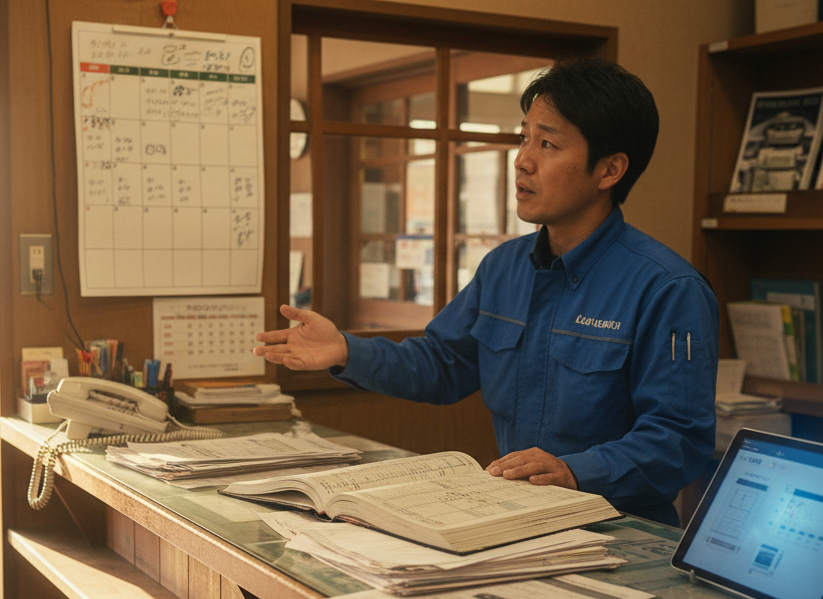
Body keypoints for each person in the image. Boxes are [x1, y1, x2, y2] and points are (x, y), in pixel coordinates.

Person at [255, 58, 717, 526]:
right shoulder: (504, 267)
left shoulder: (668, 289)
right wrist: (345, 351)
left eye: (548, 143)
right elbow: (442, 364)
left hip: (621, 534)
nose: (523, 159)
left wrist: (575, 471)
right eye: (523, 138)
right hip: (515, 523)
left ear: (610, 169)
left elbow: (678, 440)